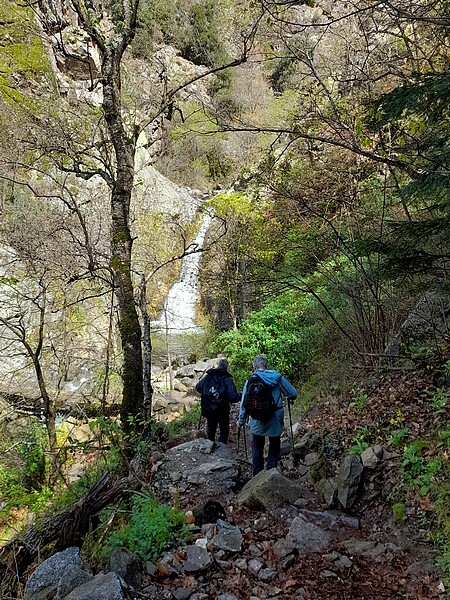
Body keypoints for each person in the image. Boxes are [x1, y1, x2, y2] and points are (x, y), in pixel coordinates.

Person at [237, 354, 297, 476]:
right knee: (274, 443)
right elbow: (293, 394)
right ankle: (271, 472)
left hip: (256, 418)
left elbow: (244, 404)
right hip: (275, 416)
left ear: (254, 366)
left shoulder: (250, 381)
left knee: (257, 445)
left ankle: (257, 475)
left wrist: (241, 421)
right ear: (267, 366)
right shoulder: (277, 378)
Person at [196, 358, 240, 444]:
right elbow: (232, 397)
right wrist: (241, 396)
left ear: (218, 365)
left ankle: (210, 445)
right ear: (226, 367)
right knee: (224, 430)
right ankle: (222, 447)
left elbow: (198, 387)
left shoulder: (209, 376)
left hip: (209, 408)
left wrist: (208, 394)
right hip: (222, 410)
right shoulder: (226, 378)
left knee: (211, 429)